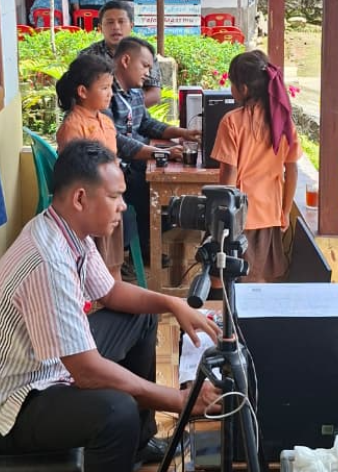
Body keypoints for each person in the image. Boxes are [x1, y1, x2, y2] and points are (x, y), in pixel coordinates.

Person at [0, 140, 221, 472]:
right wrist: (180, 400)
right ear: (80, 198)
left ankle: (138, 443)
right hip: (8, 406)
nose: (123, 206)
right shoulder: (48, 261)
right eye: (114, 197)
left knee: (142, 318)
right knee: (117, 411)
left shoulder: (69, 230)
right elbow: (86, 371)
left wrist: (173, 304)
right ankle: (121, 441)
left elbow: (111, 292)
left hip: (49, 366)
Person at [108, 37, 200, 265]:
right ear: (126, 61)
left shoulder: (134, 92)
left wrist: (183, 132)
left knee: (169, 193)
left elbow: (146, 123)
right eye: (145, 66)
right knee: (161, 195)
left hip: (131, 165)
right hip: (114, 172)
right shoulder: (105, 91)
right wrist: (161, 153)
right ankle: (141, 249)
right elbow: (115, 140)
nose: (148, 73)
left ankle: (144, 246)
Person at [211, 50, 301, 282]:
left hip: (240, 215)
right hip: (270, 213)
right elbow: (292, 170)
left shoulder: (231, 122)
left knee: (230, 278)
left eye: (232, 83)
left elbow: (229, 173)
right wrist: (284, 211)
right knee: (261, 280)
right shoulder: (284, 123)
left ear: (243, 89)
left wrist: (223, 216)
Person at [56, 54, 125, 281]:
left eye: (110, 87)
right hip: (91, 206)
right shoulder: (73, 127)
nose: (110, 93)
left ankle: (114, 291)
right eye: (104, 88)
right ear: (83, 92)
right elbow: (75, 174)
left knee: (112, 260)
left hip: (109, 200)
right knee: (95, 265)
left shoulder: (105, 121)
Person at [80, 1, 161, 108]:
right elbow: (80, 94)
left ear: (131, 26)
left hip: (135, 114)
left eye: (121, 21)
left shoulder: (145, 54)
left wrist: (124, 110)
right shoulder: (87, 56)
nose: (116, 27)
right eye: (110, 22)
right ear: (100, 28)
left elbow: (154, 94)